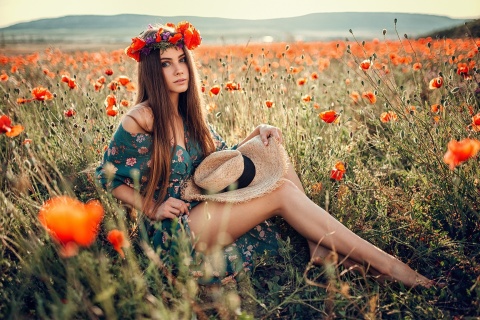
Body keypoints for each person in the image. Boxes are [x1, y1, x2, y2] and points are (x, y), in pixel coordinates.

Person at [95, 21, 433, 288]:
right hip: (178, 232)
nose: (179, 69)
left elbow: (221, 164)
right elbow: (105, 174)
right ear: (154, 71)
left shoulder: (188, 115)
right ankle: (390, 267)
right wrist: (152, 208)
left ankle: (320, 248)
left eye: (182, 60)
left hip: (206, 208)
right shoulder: (142, 117)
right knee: (283, 191)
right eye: (167, 64)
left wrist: (256, 134)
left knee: (272, 150)